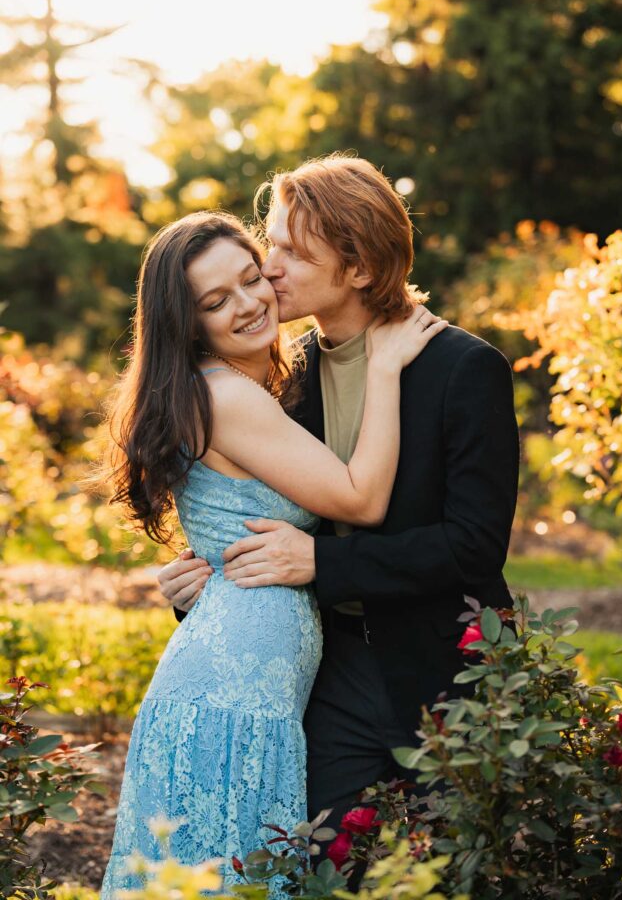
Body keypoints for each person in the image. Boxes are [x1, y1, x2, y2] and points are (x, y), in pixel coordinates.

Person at [160, 154, 520, 834]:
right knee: (321, 868)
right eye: (271, 242)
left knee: (453, 868)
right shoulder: (284, 374)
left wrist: (323, 565)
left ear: (356, 268)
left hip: (444, 672)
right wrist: (203, 582)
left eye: (292, 252)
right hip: (329, 671)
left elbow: (471, 545)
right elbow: (265, 515)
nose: (268, 268)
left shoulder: (463, 369)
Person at [99, 209, 444, 897]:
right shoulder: (226, 394)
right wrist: (384, 367)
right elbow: (361, 500)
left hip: (247, 689)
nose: (249, 304)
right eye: (214, 301)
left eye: (251, 278)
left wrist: (205, 578)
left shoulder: (246, 388)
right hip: (232, 701)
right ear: (187, 322)